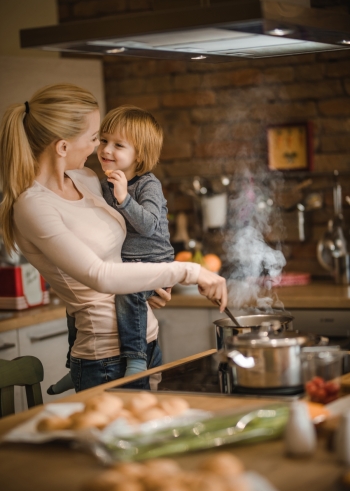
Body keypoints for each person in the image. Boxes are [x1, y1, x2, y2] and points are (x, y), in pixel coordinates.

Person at [0, 83, 227, 392]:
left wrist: (145, 286)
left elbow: (121, 256)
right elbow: (99, 275)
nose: (99, 148)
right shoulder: (33, 205)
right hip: (104, 359)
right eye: (96, 138)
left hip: (146, 341)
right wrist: (190, 271)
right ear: (63, 147)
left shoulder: (88, 179)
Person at [49, 104, 174, 394]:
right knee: (75, 303)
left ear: (139, 155)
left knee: (127, 295)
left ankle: (135, 358)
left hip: (151, 261)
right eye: (103, 140)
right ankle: (72, 364)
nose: (105, 149)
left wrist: (124, 199)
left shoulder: (147, 184)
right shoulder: (101, 179)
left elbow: (149, 226)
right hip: (124, 261)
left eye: (118, 145)